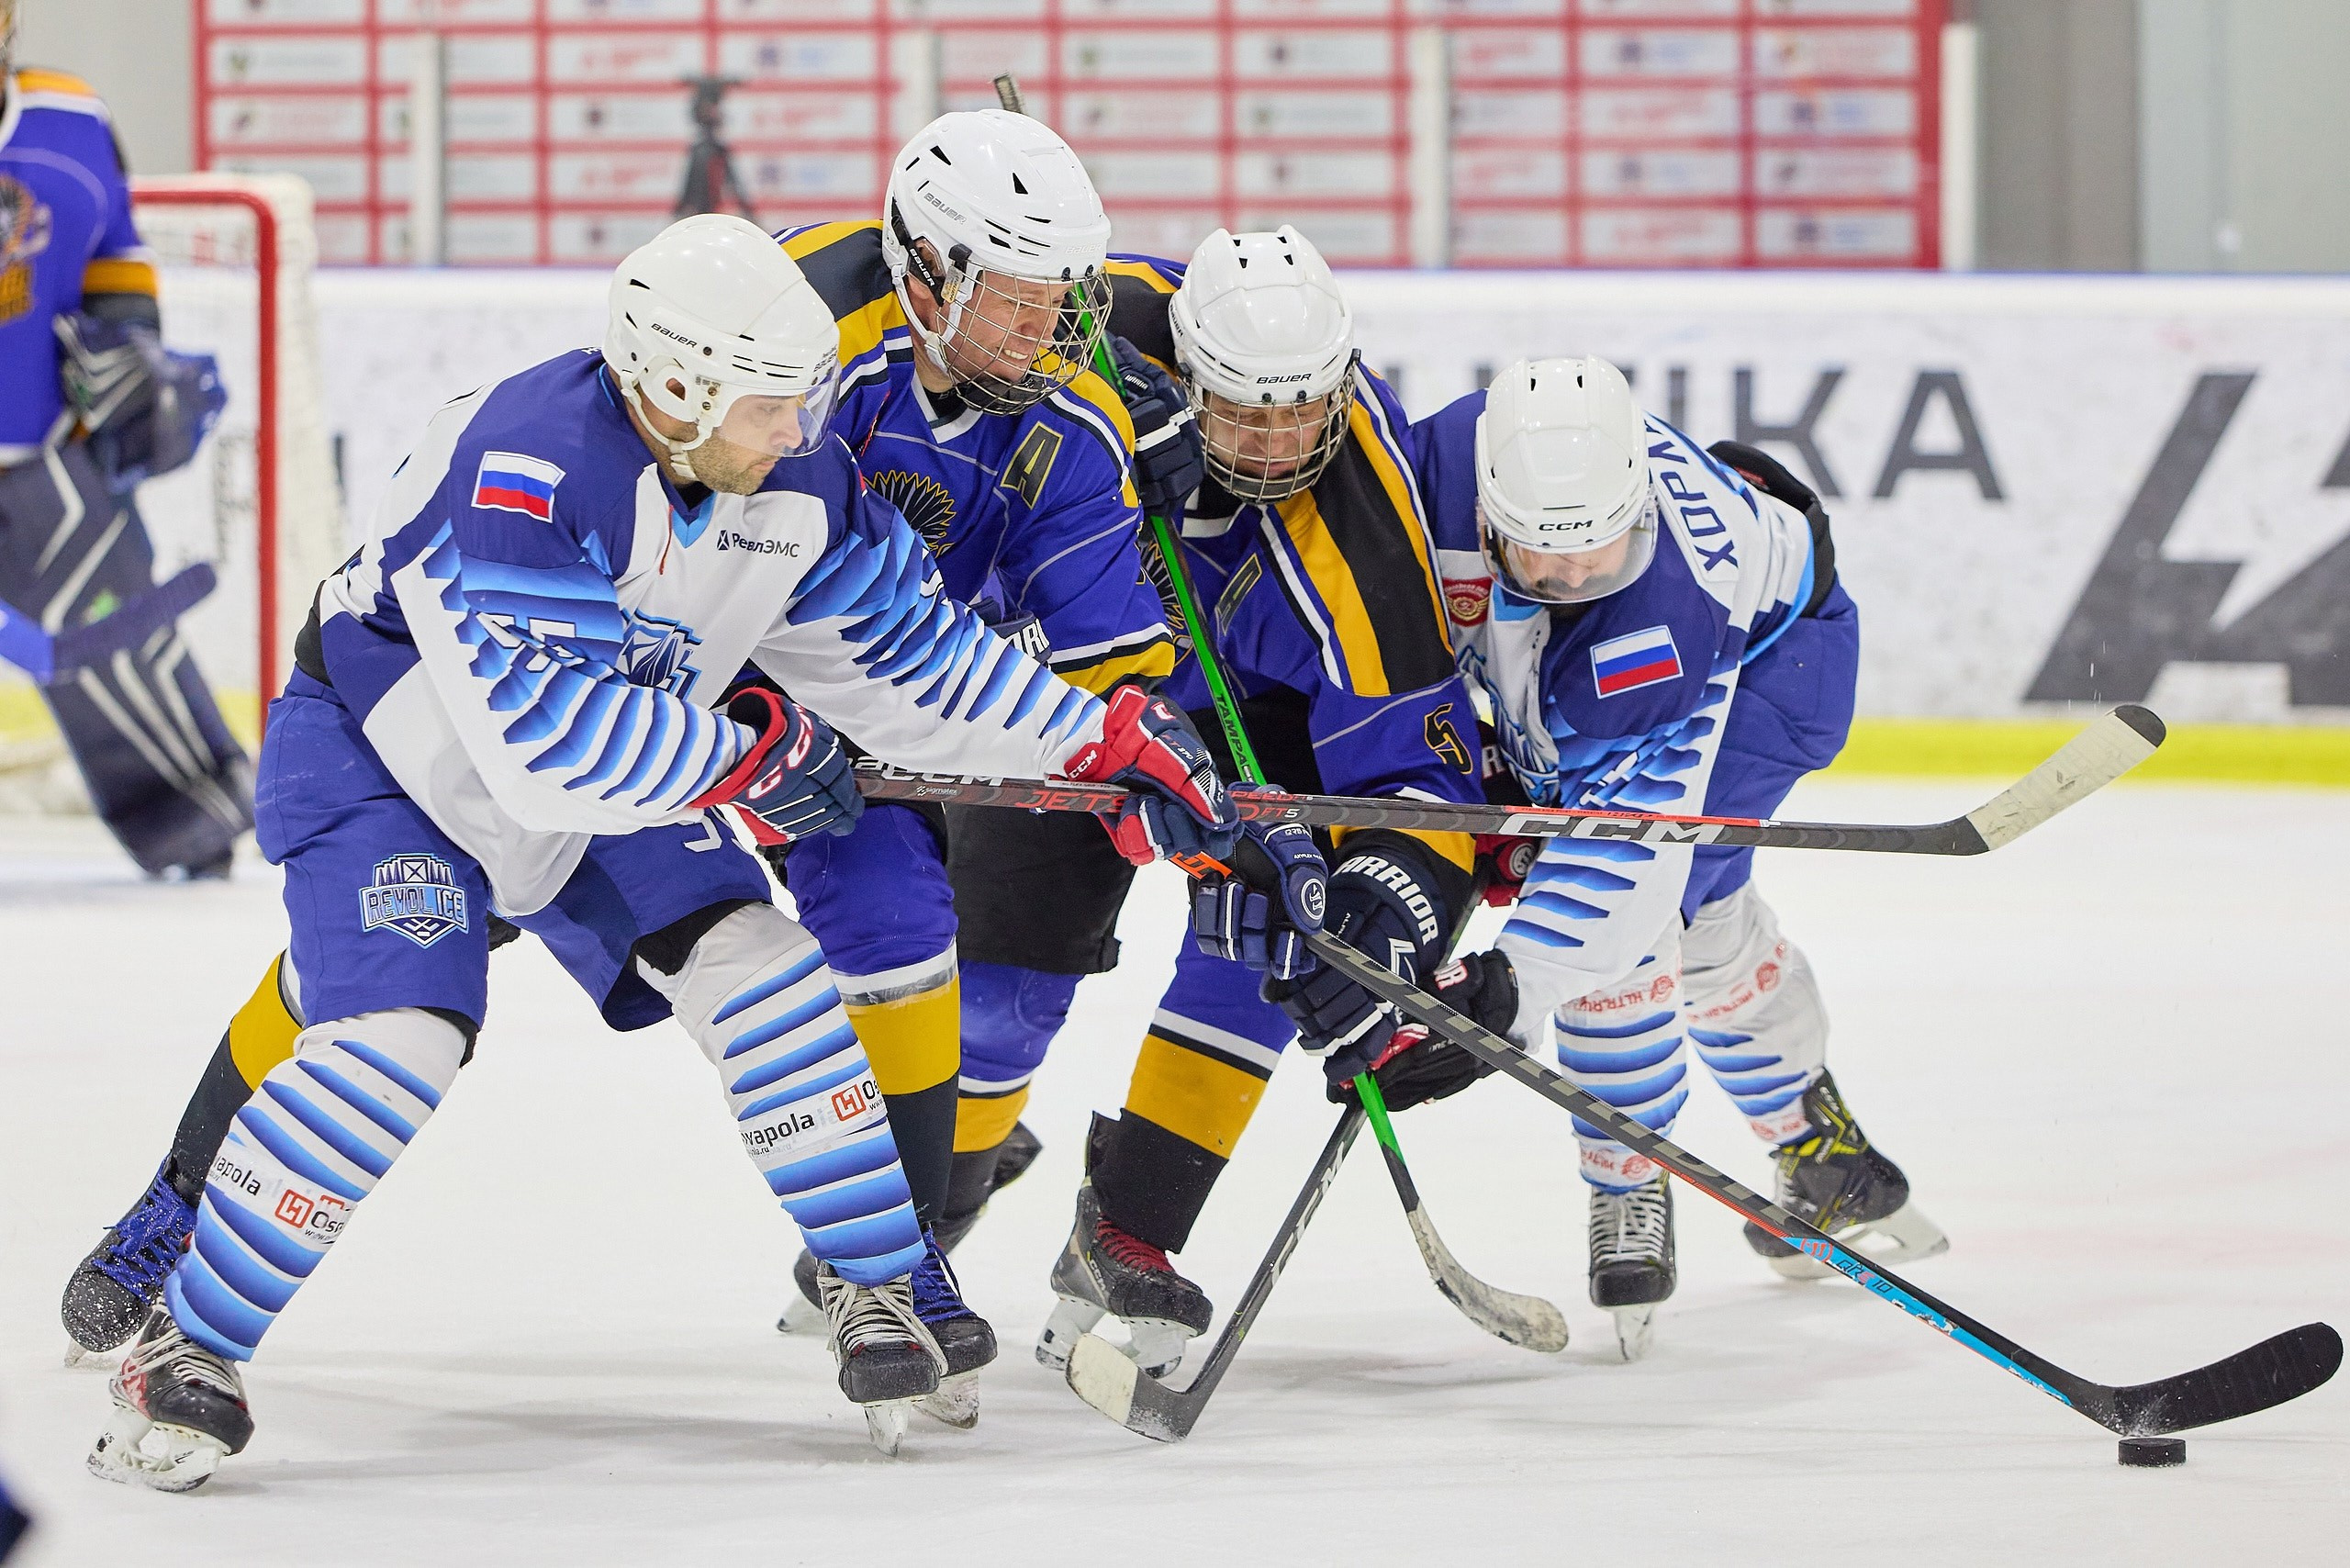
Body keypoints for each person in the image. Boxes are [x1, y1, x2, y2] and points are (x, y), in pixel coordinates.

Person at [61, 109, 1181, 1434]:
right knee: (393, 1036)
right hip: (398, 774)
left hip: (632, 771)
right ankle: (188, 1339)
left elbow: (912, 655)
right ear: (676, 392)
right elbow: (550, 751)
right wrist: (757, 753)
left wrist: (1100, 748)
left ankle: (879, 1279)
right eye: (772, 406)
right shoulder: (528, 467)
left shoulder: (784, 458)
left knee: (762, 971)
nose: (804, 431)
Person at [1274, 354, 1945, 1360]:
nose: (1576, 577)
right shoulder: (1428, 475)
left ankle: (1634, 1180)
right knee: (1688, 923)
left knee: (1671, 922)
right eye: (1544, 559)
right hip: (1596, 685)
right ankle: (1825, 1153)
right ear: (1491, 512)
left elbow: (1614, 867)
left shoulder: (1664, 616)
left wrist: (1500, 992)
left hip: (1776, 670)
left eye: (1598, 552)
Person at [931, 225, 1488, 1376]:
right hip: (1073, 690)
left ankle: (1127, 1227)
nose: (1278, 444)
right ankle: (916, 1229)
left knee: (1282, 925)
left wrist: (1386, 916)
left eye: (1301, 411)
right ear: (1186, 366)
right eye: (1244, 411)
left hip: (1254, 705)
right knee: (1006, 987)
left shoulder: (1361, 517)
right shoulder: (1081, 329)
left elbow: (1422, 775)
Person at [0, 3, 249, 877]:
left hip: (49, 455)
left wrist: (128, 342)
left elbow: (115, 249)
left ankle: (193, 822)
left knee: (122, 650)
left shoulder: (71, 117)